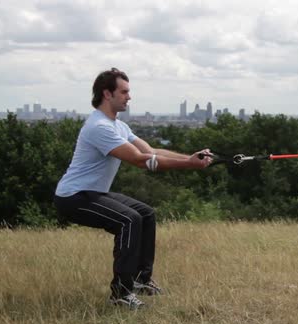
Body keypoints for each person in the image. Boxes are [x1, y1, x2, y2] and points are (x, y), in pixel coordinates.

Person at [54, 68, 213, 309]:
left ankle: (141, 280)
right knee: (128, 220)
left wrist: (190, 158)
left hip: (94, 193)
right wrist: (188, 165)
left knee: (146, 213)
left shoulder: (117, 125)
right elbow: (141, 161)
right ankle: (121, 294)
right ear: (107, 94)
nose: (129, 97)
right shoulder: (99, 127)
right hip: (73, 197)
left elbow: (150, 151)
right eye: (124, 92)